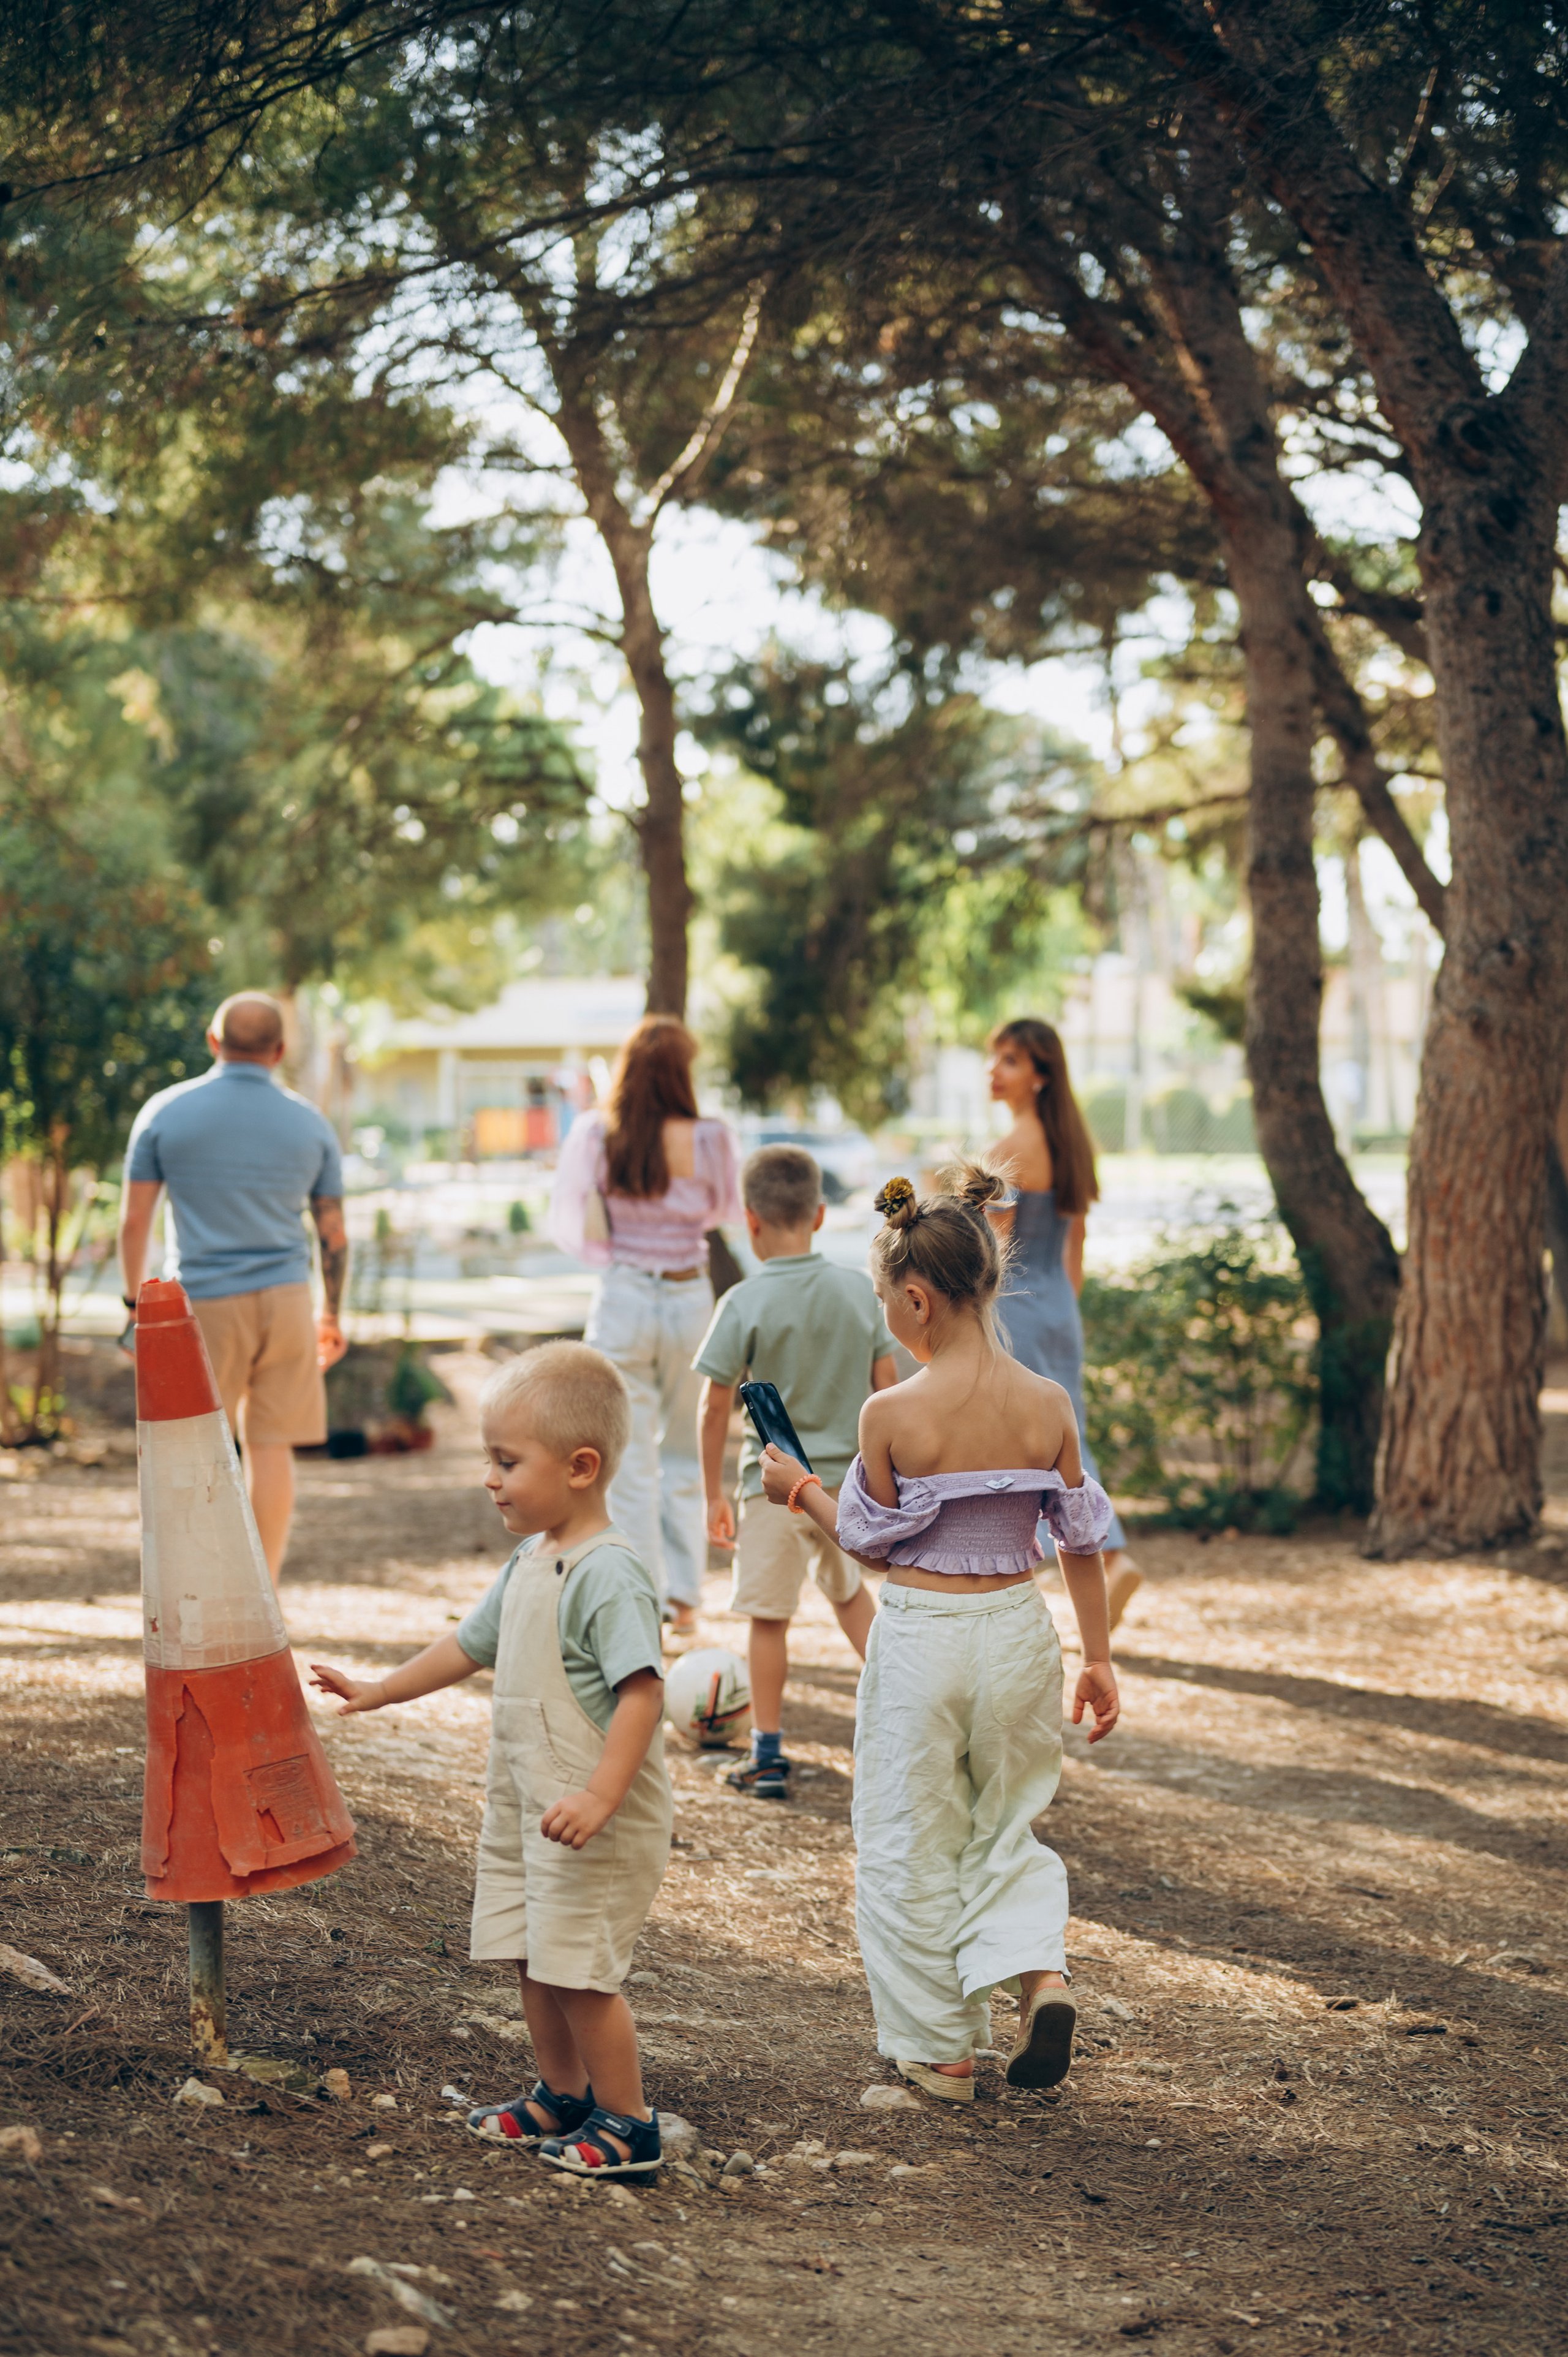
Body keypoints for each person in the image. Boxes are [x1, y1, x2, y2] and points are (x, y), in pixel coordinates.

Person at [758, 1167, 1120, 2100]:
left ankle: (941, 2048)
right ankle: (1041, 1976)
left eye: (887, 1301)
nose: (887, 1318)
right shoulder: (1048, 1403)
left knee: (911, 1834)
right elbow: (1081, 1541)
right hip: (1019, 1633)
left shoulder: (892, 1414)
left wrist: (799, 1488)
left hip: (924, 1638)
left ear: (916, 1298)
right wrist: (1098, 1656)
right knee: (1006, 1821)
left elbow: (868, 1543)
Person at [310, 1343, 671, 2180]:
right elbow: (467, 1645)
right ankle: (563, 2092)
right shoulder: (530, 1559)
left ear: (581, 1466)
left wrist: (600, 1796)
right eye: (490, 1460)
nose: (489, 1478)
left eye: (508, 1462)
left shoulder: (609, 1574)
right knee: (531, 1951)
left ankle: (629, 2122)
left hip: (591, 1816)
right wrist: (379, 1689)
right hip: (530, 1805)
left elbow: (643, 1693)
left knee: (579, 1970)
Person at [118, 992, 347, 1581]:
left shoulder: (165, 1112)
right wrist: (330, 1314)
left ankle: (200, 1589)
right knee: (271, 1447)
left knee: (196, 1448)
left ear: (214, 1041)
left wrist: (135, 1305)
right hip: (287, 1300)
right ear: (280, 1050)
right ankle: (264, 1592)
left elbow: (135, 1221)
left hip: (203, 1304)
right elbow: (333, 1233)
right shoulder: (311, 1123)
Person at [693, 1145, 899, 1798]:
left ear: (750, 1220)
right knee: (851, 1598)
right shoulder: (859, 1291)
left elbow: (714, 1406)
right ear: (818, 1214)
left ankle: (767, 1754)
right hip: (847, 1489)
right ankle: (915, 1713)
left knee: (768, 1619)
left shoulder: (742, 1301)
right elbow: (888, 1388)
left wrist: (712, 1493)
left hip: (772, 1488)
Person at [549, 1016, 742, 1636]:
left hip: (625, 1296)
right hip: (688, 1298)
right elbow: (722, 1209)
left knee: (626, 1455)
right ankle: (685, 1599)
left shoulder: (598, 1133)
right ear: (682, 1072)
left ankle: (642, 1593)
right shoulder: (710, 1137)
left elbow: (571, 1216)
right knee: (686, 1447)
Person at [984, 1017, 1142, 1633]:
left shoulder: (1010, 1149)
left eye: (1011, 1060)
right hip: (1057, 1307)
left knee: (1030, 1441)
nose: (995, 1070)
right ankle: (1104, 1557)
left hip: (1015, 1307)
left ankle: (1102, 1553)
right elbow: (1076, 1245)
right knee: (1066, 1432)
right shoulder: (1070, 1144)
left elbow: (994, 1253)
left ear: (1041, 1075)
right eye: (996, 1057)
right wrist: (1062, 1308)